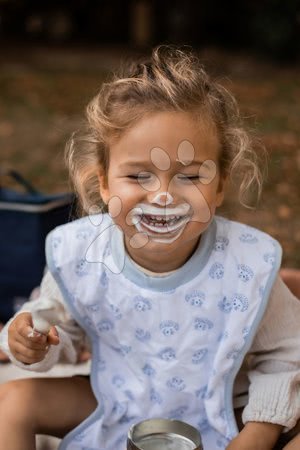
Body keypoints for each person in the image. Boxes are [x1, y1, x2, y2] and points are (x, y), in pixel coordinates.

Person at [0, 45, 300, 450]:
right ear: (104, 183)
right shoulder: (83, 254)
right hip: (117, 400)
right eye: (139, 175)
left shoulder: (247, 265)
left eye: (190, 176)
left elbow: (287, 357)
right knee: (14, 399)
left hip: (224, 409)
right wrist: (33, 341)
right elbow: (61, 333)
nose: (162, 195)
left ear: (221, 184)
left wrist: (257, 436)